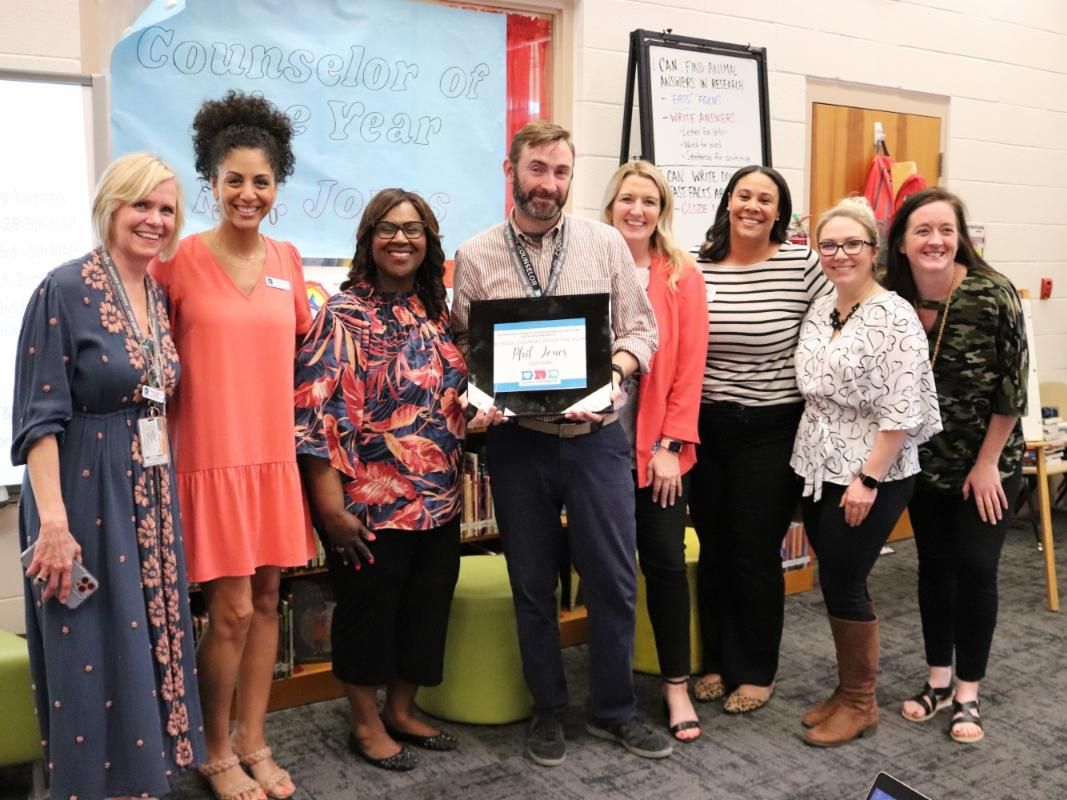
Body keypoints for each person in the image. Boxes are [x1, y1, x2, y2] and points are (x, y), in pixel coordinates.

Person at [452, 121, 670, 767]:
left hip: (596, 441)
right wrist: (479, 389)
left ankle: (614, 709)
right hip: (519, 444)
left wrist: (614, 375)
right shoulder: (475, 255)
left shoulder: (605, 244)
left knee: (612, 580)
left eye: (561, 172)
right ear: (511, 171)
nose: (549, 184)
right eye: (538, 169)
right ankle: (548, 708)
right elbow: (463, 342)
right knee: (531, 583)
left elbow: (641, 331)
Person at [13, 152, 204, 800]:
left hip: (146, 493)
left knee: (144, 644)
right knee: (88, 653)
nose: (154, 219)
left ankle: (140, 785)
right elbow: (38, 420)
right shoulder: (63, 289)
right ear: (110, 208)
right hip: (79, 499)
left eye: (166, 209)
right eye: (140, 204)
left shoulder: (156, 294)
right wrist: (55, 526)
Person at [151, 91, 314, 800]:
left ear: (278, 186)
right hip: (209, 461)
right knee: (231, 612)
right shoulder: (177, 261)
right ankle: (213, 748)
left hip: (272, 460)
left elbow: (306, 350)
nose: (249, 193)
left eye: (262, 180)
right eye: (235, 179)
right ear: (211, 182)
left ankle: (254, 739)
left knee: (270, 601)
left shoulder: (288, 259)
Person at [296, 189, 467, 771]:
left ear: (429, 241)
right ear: (369, 239)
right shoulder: (343, 314)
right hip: (370, 504)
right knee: (368, 614)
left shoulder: (435, 310)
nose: (401, 239)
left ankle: (400, 710)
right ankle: (365, 724)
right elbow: (318, 416)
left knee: (425, 608)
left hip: (439, 498)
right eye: (388, 229)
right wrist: (330, 511)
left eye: (413, 229)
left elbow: (453, 390)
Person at [791, 197, 941, 747]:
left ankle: (861, 703)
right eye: (829, 245)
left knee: (846, 579)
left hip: (872, 471)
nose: (840, 254)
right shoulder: (822, 307)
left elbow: (903, 409)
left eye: (852, 243)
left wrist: (868, 479)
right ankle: (847, 690)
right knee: (836, 575)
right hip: (817, 465)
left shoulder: (894, 315)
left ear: (874, 250)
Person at [885, 188, 1028, 745]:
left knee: (975, 567)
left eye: (946, 229)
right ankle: (939, 680)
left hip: (987, 463)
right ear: (902, 241)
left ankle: (969, 691)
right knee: (934, 569)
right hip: (922, 464)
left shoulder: (992, 294)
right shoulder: (891, 296)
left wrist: (988, 463)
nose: (936, 240)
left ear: (960, 237)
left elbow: (1013, 389)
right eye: (922, 230)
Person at [689, 165, 830, 713]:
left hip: (771, 429)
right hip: (705, 427)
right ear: (728, 202)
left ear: (779, 212)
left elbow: (842, 317)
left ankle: (755, 670)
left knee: (752, 549)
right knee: (714, 546)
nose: (753, 206)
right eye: (744, 195)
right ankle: (716, 661)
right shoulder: (697, 265)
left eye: (765, 199)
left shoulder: (801, 264)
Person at [601, 160, 708, 742]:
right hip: (596, 450)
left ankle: (675, 685)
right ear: (611, 204)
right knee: (608, 571)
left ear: (661, 210)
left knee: (665, 563)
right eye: (628, 199)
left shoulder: (680, 275)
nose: (637, 210)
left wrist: (670, 445)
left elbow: (690, 368)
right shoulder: (589, 260)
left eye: (649, 201)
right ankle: (611, 692)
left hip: (658, 453)